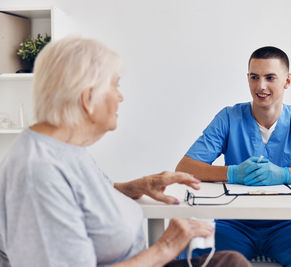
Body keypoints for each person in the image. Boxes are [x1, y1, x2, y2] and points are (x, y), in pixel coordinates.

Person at [0, 37, 251, 267]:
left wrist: (136, 186)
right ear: (88, 98)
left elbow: (82, 200)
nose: (120, 97)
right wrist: (165, 247)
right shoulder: (37, 171)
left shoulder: (66, 148)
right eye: (115, 86)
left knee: (230, 262)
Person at [176, 46, 291, 266]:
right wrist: (232, 173)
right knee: (192, 258)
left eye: (270, 77)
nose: (260, 86)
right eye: (254, 77)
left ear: (287, 81)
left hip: (288, 224)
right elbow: (185, 168)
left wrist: (285, 174)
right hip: (234, 222)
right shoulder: (229, 118)